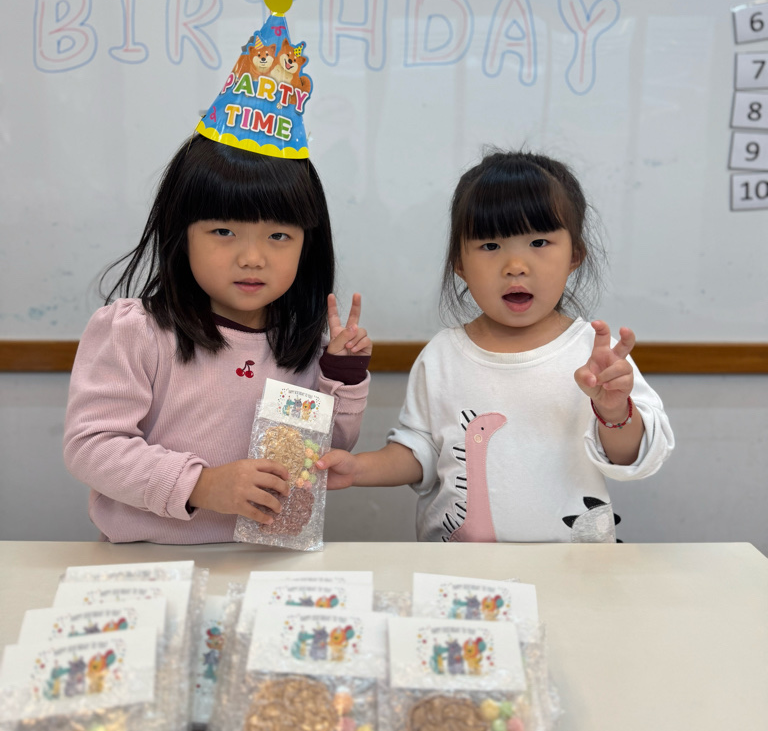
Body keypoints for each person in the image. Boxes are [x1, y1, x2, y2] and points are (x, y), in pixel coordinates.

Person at [317, 150, 673, 543]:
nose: (515, 265)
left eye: (539, 242)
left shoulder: (596, 356)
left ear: (574, 255)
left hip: (572, 567)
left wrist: (614, 411)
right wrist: (358, 469)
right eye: (490, 245)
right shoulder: (442, 356)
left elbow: (633, 458)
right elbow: (420, 450)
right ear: (459, 263)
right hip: (460, 569)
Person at [63, 134, 371, 543]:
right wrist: (201, 485)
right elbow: (92, 447)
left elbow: (322, 455)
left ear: (306, 245)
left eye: (278, 236)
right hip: (152, 559)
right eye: (224, 231)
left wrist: (342, 374)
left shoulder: (304, 343)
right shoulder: (136, 331)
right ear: (182, 235)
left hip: (265, 562)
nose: (252, 258)